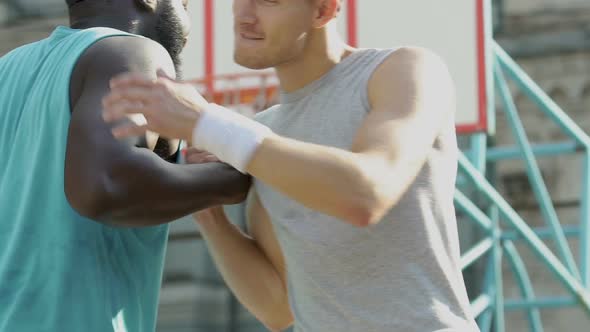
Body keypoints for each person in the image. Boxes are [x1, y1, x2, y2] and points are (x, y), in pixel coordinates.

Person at [102, 0, 480, 331]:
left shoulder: (404, 70)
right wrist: (210, 216)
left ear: (323, 10)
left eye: (269, 1)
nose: (244, 15)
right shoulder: (263, 134)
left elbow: (367, 193)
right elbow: (278, 307)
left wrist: (206, 122)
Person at [0, 0, 250, 331]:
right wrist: (240, 171)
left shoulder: (7, 69)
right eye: (184, 4)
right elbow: (108, 182)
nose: (187, 23)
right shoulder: (130, 51)